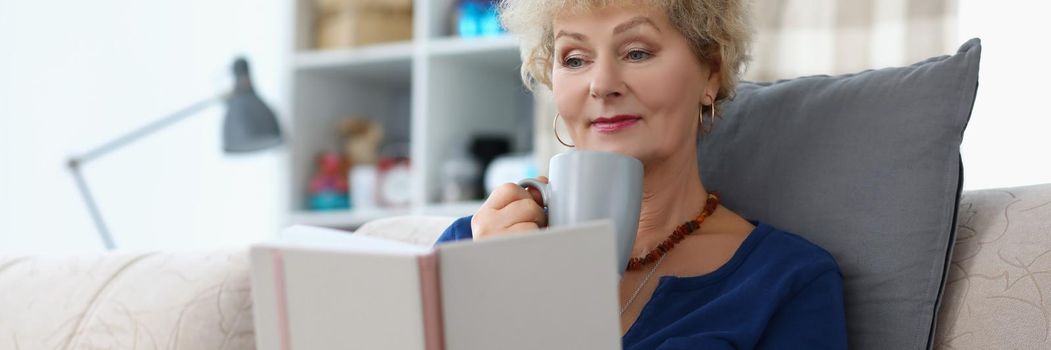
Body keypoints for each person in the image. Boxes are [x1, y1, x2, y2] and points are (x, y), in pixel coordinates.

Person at [435, 0, 848, 348]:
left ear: (711, 72)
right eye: (574, 59)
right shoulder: (471, 248)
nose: (601, 85)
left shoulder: (788, 281)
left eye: (636, 52)